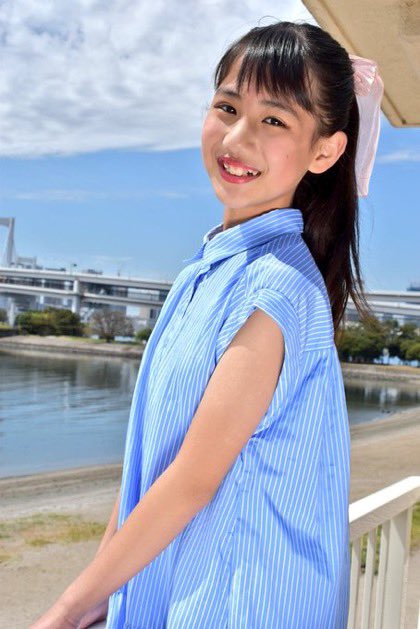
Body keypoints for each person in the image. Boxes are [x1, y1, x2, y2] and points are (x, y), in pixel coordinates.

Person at [30, 19, 384, 629]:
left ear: (325, 151)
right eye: (227, 107)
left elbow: (193, 480)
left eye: (274, 121)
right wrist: (104, 588)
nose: (237, 137)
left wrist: (67, 608)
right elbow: (152, 463)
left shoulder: (275, 289)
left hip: (238, 602)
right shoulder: (208, 269)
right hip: (179, 586)